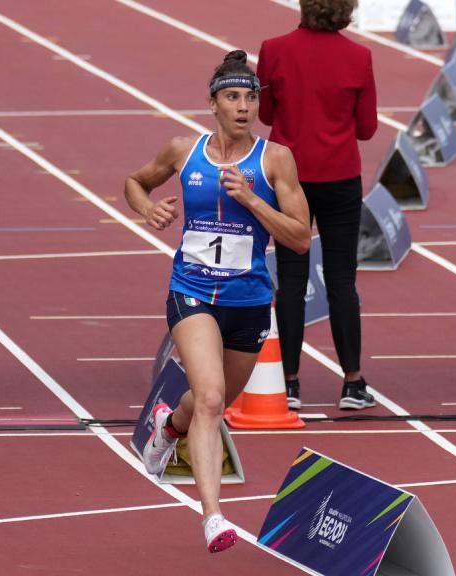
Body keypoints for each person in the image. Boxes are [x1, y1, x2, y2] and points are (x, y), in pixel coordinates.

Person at [124, 50, 310, 553]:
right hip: (192, 291)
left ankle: (170, 424)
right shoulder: (185, 151)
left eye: (251, 98)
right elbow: (135, 182)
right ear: (213, 103)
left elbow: (299, 238)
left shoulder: (275, 160)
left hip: (248, 300)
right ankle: (213, 517)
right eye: (233, 97)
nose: (244, 107)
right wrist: (147, 209)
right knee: (209, 399)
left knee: (212, 402)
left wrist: (252, 200)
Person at [257, 0, 378, 411]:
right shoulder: (359, 56)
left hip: (289, 175)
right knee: (343, 280)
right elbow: (366, 129)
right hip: (340, 177)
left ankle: (288, 383)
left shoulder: (273, 49)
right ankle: (353, 383)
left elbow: (266, 113)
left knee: (291, 279)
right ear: (348, 10)